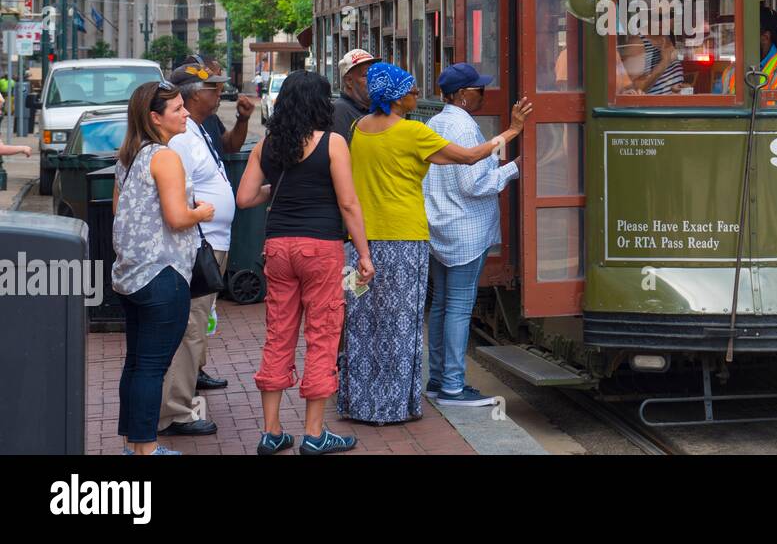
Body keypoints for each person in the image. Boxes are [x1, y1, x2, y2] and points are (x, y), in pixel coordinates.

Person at [338, 62, 530, 424]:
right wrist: (513, 133)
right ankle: (424, 394)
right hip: (406, 238)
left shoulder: (358, 129)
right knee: (406, 322)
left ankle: (367, 399)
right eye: (410, 91)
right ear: (394, 98)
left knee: (366, 320)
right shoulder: (413, 132)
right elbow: (472, 164)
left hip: (364, 241)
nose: (416, 95)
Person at [236, 71, 375, 455]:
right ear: (320, 104)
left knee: (278, 334)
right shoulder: (332, 143)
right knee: (323, 336)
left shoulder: (268, 144)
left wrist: (280, 188)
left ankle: (272, 431)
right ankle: (314, 435)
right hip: (321, 248)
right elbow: (348, 203)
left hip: (278, 247)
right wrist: (364, 254)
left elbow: (245, 198)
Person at [112, 80, 215, 455]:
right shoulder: (165, 157)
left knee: (137, 363)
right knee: (153, 367)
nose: (186, 113)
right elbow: (175, 217)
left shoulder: (129, 156)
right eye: (177, 109)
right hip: (163, 274)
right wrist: (199, 212)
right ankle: (147, 448)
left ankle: (133, 444)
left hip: (132, 275)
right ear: (155, 117)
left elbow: (118, 212)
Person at [423, 64, 519, 407]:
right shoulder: (464, 127)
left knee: (442, 306)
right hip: (465, 230)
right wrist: (514, 167)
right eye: (478, 88)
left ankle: (437, 380)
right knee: (459, 308)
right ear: (462, 95)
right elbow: (474, 184)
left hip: (440, 228)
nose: (484, 93)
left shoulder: (436, 122)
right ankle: (451, 386)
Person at [155, 65, 236, 437]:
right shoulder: (181, 139)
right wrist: (199, 228)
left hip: (213, 241)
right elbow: (179, 197)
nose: (218, 94)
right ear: (190, 95)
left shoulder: (199, 129)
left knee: (199, 325)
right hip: (200, 243)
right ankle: (176, 411)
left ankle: (185, 391)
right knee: (190, 327)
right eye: (212, 88)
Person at [175, 55, 255, 153]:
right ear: (196, 92)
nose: (220, 89)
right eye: (213, 83)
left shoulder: (209, 117)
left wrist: (243, 119)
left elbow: (229, 146)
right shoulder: (180, 132)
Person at [631, 0, 686, 94]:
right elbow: (635, 90)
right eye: (657, 16)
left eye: (669, 15)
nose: (664, 21)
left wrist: (683, 87)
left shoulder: (668, 38)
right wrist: (664, 62)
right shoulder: (638, 43)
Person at [332, 48, 375, 143]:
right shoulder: (338, 111)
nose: (374, 79)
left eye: (375, 74)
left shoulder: (375, 108)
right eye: (366, 75)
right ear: (349, 81)